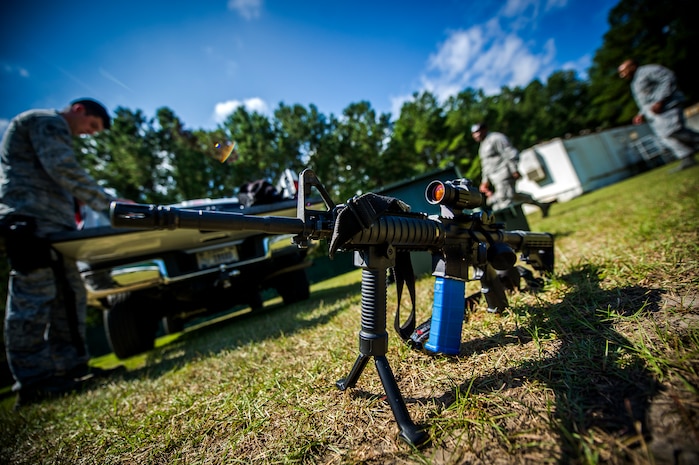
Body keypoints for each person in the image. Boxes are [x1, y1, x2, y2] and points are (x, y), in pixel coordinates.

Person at [0, 98, 119, 408]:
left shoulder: (51, 127)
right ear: (79, 109)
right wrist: (111, 207)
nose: (89, 133)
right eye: (91, 125)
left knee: (71, 295)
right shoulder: (45, 121)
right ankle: (34, 382)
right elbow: (63, 169)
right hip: (29, 223)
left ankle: (73, 368)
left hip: (56, 227)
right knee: (33, 300)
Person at [617, 59, 698, 171]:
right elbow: (645, 101)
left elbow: (668, 77)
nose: (622, 75)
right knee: (665, 136)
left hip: (667, 106)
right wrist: (641, 113)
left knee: (674, 130)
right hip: (654, 114)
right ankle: (687, 157)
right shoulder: (634, 82)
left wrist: (660, 101)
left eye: (624, 71)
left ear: (632, 66)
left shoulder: (648, 71)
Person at [471, 123, 556, 217]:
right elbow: (486, 165)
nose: (476, 135)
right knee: (512, 195)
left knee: (504, 199)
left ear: (485, 130)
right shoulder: (483, 146)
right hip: (495, 178)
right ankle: (542, 205)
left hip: (504, 173)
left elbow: (510, 153)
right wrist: (485, 181)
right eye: (474, 133)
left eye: (478, 132)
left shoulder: (497, 138)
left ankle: (511, 225)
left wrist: (513, 169)